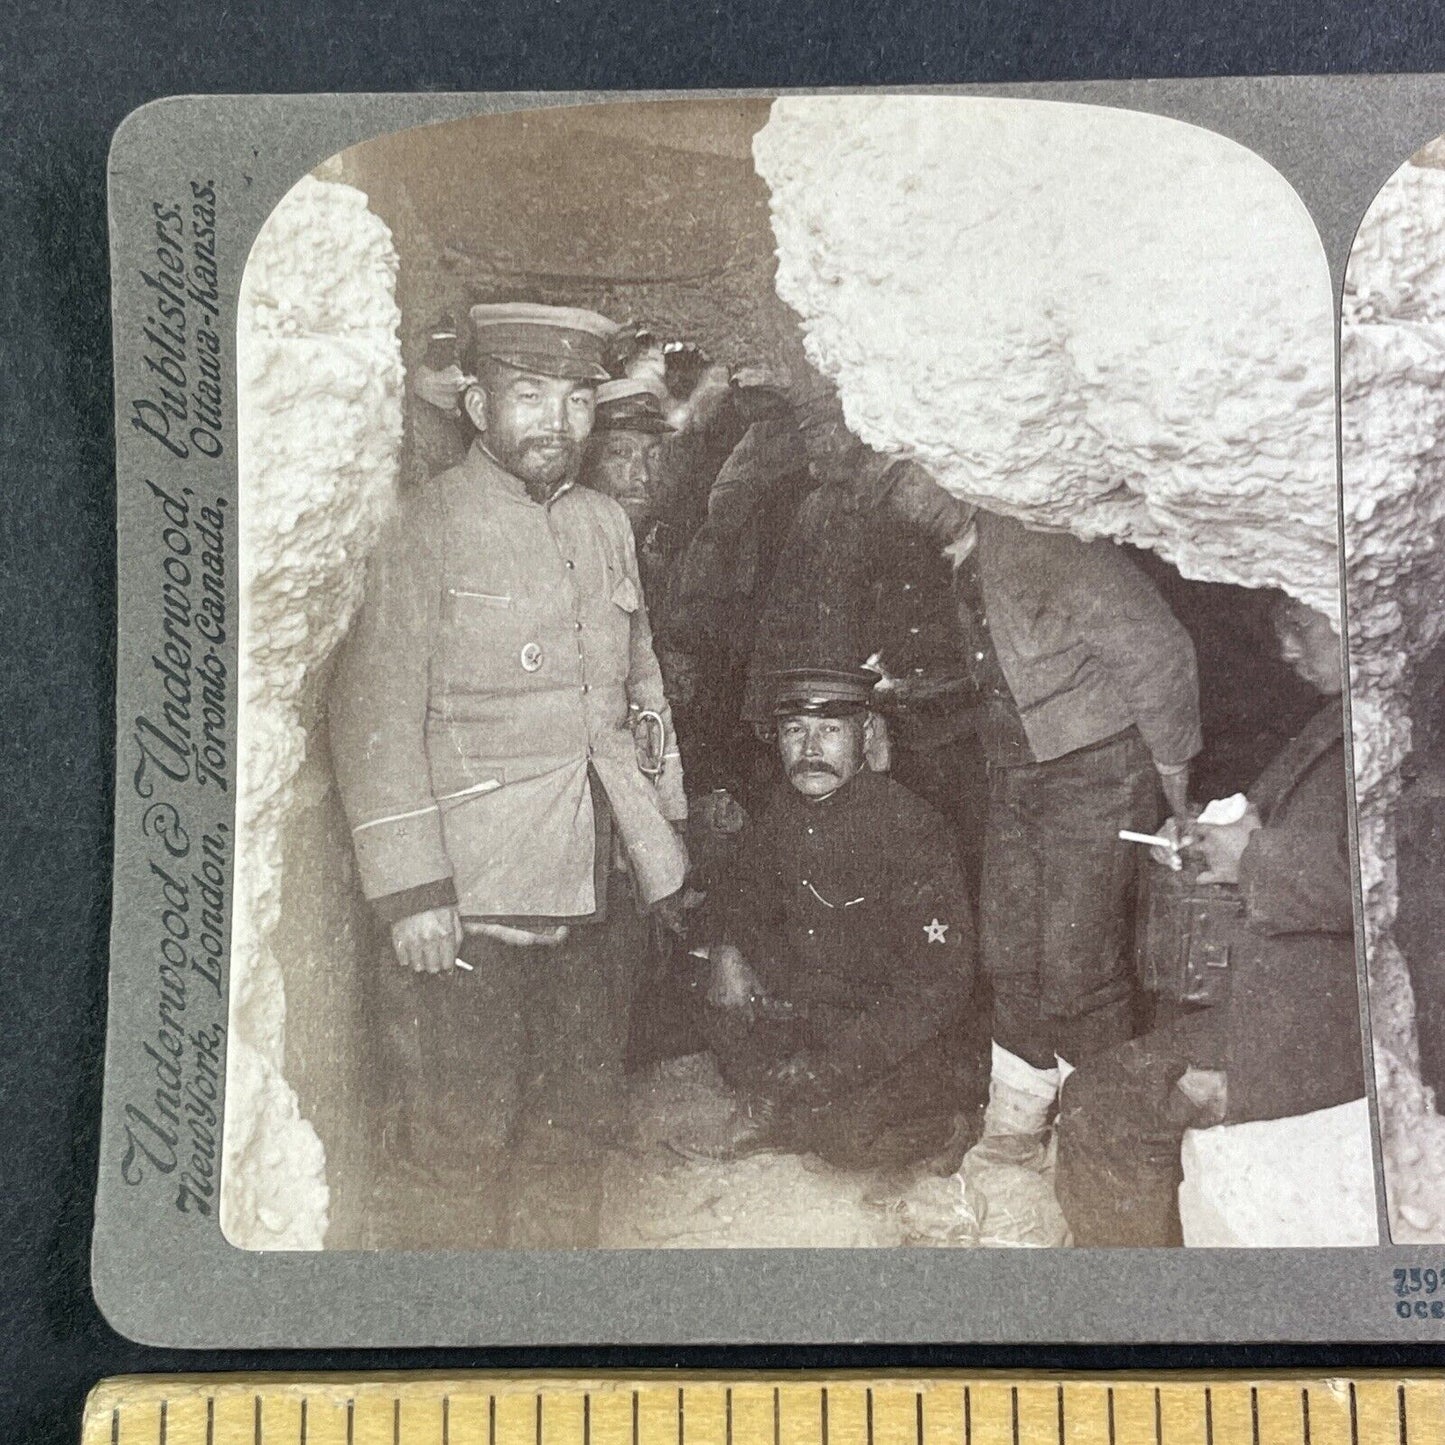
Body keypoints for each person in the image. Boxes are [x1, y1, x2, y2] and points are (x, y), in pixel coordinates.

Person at [328, 301, 689, 1249]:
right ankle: (441, 1349)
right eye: (528, 396)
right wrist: (412, 893)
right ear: (479, 406)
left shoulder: (606, 522)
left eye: (574, 400)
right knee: (457, 1145)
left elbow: (641, 680)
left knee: (570, 1134)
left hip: (599, 881)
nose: (554, 424)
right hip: (473, 900)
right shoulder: (426, 526)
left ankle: (554, 1338)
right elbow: (371, 715)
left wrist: (664, 827)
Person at [1053, 595, 1363, 1247]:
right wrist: (1213, 834)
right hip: (1285, 999)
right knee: (1105, 1085)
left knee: (1104, 1106)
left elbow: (1393, 879)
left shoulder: (1410, 733)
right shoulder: (1340, 719)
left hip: (1326, 1031)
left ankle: (1137, 1316)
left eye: (1301, 629)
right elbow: (1274, 819)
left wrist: (1252, 856)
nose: (1285, 650)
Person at [941, 506, 1203, 1179]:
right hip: (1018, 770)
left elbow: (1158, 647)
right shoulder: (957, 551)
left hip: (1095, 767)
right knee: (1010, 955)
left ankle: (1096, 1149)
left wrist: (1175, 784)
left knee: (1078, 972)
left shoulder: (1034, 535)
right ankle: (1016, 1126)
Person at [693, 666, 985, 1169]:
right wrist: (729, 949)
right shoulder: (781, 809)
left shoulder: (911, 829)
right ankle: (793, 1100)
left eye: (829, 731)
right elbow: (743, 893)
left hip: (889, 1028)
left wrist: (845, 1058)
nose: (810, 750)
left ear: (865, 734)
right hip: (819, 1009)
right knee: (710, 995)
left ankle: (948, 1125)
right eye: (794, 731)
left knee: (844, 1139)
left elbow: (941, 984)